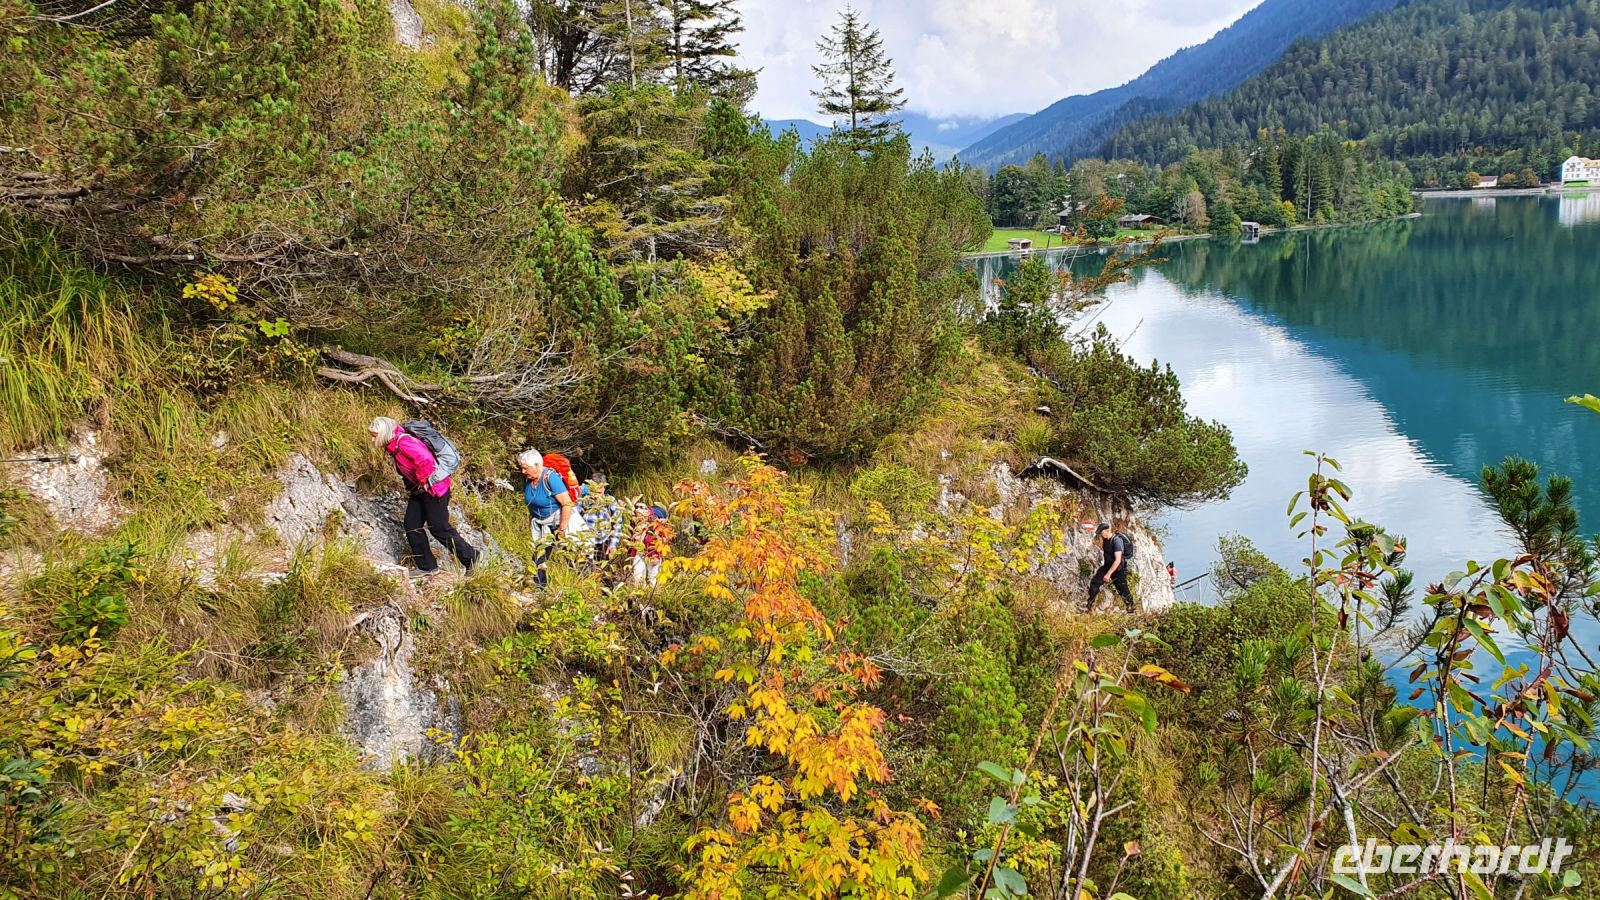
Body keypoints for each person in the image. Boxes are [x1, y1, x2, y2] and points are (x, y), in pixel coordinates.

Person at [370, 417, 478, 578]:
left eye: (374, 436)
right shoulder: (394, 445)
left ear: (384, 434)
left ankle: (472, 558)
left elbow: (425, 460)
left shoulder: (404, 442)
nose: (372, 440)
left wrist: (423, 481)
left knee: (439, 528)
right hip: (420, 491)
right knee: (412, 525)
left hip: (434, 490)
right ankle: (427, 566)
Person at [519, 448, 575, 587]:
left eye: (526, 468)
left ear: (537, 465)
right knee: (539, 558)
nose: (523, 471)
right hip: (542, 525)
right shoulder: (527, 480)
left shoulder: (551, 478)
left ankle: (583, 587)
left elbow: (567, 503)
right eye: (522, 468)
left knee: (572, 557)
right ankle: (539, 588)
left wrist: (562, 529)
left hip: (559, 522)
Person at [1084, 522, 1135, 613]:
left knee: (1122, 589)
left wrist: (1108, 574)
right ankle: (1089, 606)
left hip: (1118, 569)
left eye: (1102, 532)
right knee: (1095, 583)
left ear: (1107, 531)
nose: (1101, 535)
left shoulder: (1116, 541)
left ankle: (1131, 608)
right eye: (1100, 533)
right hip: (1107, 566)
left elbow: (1118, 560)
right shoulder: (1105, 540)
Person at [579, 474, 623, 564]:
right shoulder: (583, 501)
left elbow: (618, 523)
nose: (596, 496)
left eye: (599, 492)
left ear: (604, 488)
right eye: (593, 491)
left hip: (604, 542)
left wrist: (613, 544)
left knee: (603, 568)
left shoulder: (610, 501)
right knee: (585, 568)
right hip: (586, 542)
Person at [629, 502, 669, 587]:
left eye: (641, 507)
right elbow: (632, 537)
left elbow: (662, 541)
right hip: (639, 552)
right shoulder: (635, 521)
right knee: (638, 576)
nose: (638, 509)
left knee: (653, 578)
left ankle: (654, 593)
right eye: (637, 507)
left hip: (653, 553)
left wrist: (657, 555)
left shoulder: (656, 523)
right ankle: (640, 593)